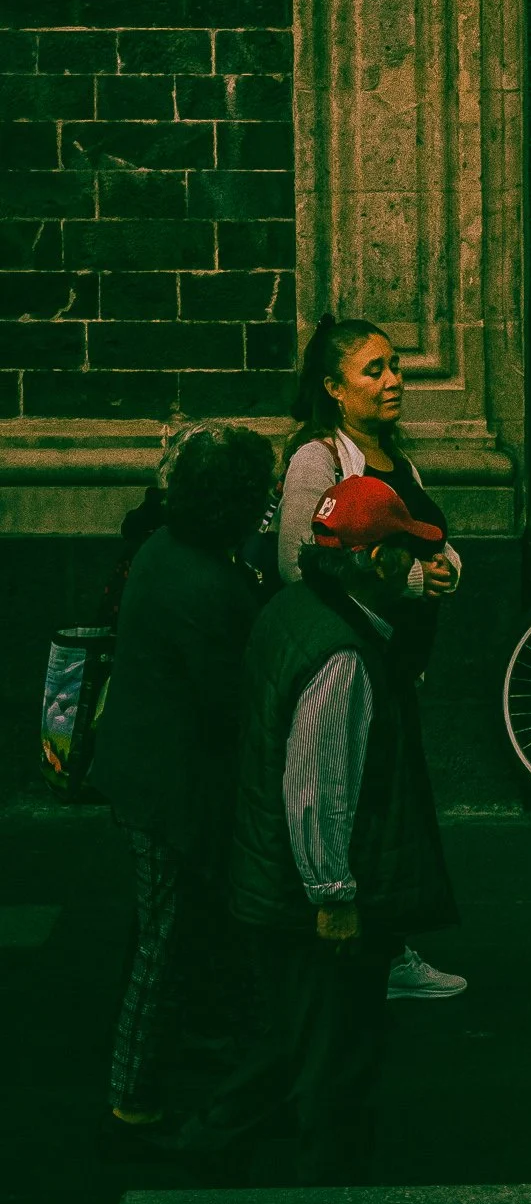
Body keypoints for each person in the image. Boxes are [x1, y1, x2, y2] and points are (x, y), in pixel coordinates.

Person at [176, 475, 459, 1186]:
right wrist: (334, 897)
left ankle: (209, 1143)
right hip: (306, 898)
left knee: (293, 1039)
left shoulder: (295, 608)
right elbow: (318, 789)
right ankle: (318, 1184)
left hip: (268, 878)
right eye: (403, 550)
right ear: (370, 562)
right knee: (335, 1055)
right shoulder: (342, 657)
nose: (415, 565)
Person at [93, 423, 275, 1141]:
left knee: (174, 925)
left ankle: (193, 1040)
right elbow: (227, 703)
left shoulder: (166, 551)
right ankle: (130, 1099)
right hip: (172, 789)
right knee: (162, 942)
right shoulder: (212, 585)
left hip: (145, 771)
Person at [279, 314, 465, 1000]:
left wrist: (446, 564)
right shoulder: (316, 461)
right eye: (374, 370)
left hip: (395, 665)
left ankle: (386, 948)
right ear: (333, 387)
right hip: (350, 665)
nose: (393, 381)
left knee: (387, 809)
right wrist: (410, 580)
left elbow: (422, 533)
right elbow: (302, 564)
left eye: (395, 366)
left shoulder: (397, 458)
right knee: (353, 807)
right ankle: (362, 955)